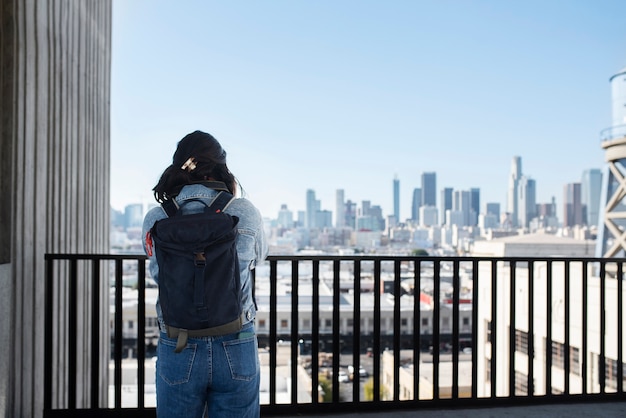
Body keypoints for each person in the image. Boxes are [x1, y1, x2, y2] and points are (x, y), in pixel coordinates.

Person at [142, 130, 268, 417]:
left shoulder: (157, 217)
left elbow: (157, 272)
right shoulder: (244, 211)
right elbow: (258, 256)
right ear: (221, 166)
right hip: (236, 339)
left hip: (178, 342)